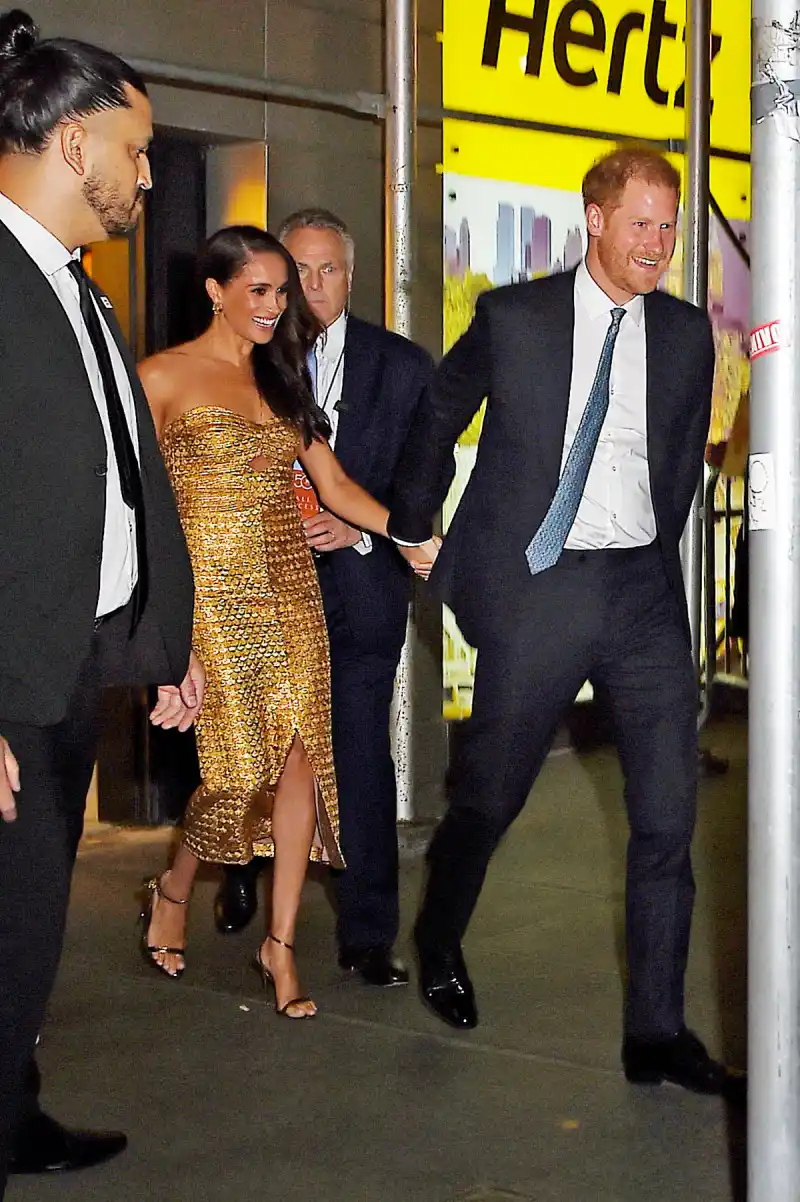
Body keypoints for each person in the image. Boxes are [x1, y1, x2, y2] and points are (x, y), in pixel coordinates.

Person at [388, 146, 740, 1095]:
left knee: (667, 815)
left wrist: (651, 562)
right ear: (594, 218)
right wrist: (412, 527)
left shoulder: (684, 335)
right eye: (641, 223)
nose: (658, 243)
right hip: (539, 588)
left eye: (669, 226)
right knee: (491, 797)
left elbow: (677, 460)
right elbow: (437, 413)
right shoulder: (516, 318)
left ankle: (656, 1032)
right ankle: (439, 933)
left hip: (640, 597)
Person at [0, 12, 203, 1195]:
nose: (146, 176)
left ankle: (12, 1109)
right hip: (9, 681)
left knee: (27, 929)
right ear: (73, 144)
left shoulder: (80, 295)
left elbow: (125, 482)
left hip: (69, 662)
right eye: (136, 150)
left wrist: (158, 642)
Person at [138, 225, 436, 1017]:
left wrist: (412, 538)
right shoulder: (161, 377)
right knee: (237, 778)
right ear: (216, 291)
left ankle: (281, 944)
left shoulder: (279, 378)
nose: (278, 305)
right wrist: (163, 629)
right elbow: (138, 511)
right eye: (261, 290)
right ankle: (174, 887)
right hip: (213, 600)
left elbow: (333, 486)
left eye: (285, 290)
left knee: (304, 760)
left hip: (291, 590)